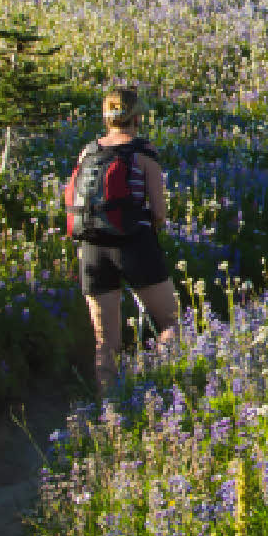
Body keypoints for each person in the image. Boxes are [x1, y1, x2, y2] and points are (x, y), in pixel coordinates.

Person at [62, 84, 177, 384]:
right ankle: (158, 387)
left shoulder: (88, 151)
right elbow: (159, 211)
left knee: (105, 340)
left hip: (91, 248)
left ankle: (109, 414)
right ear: (137, 118)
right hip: (133, 243)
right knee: (170, 322)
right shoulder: (143, 152)